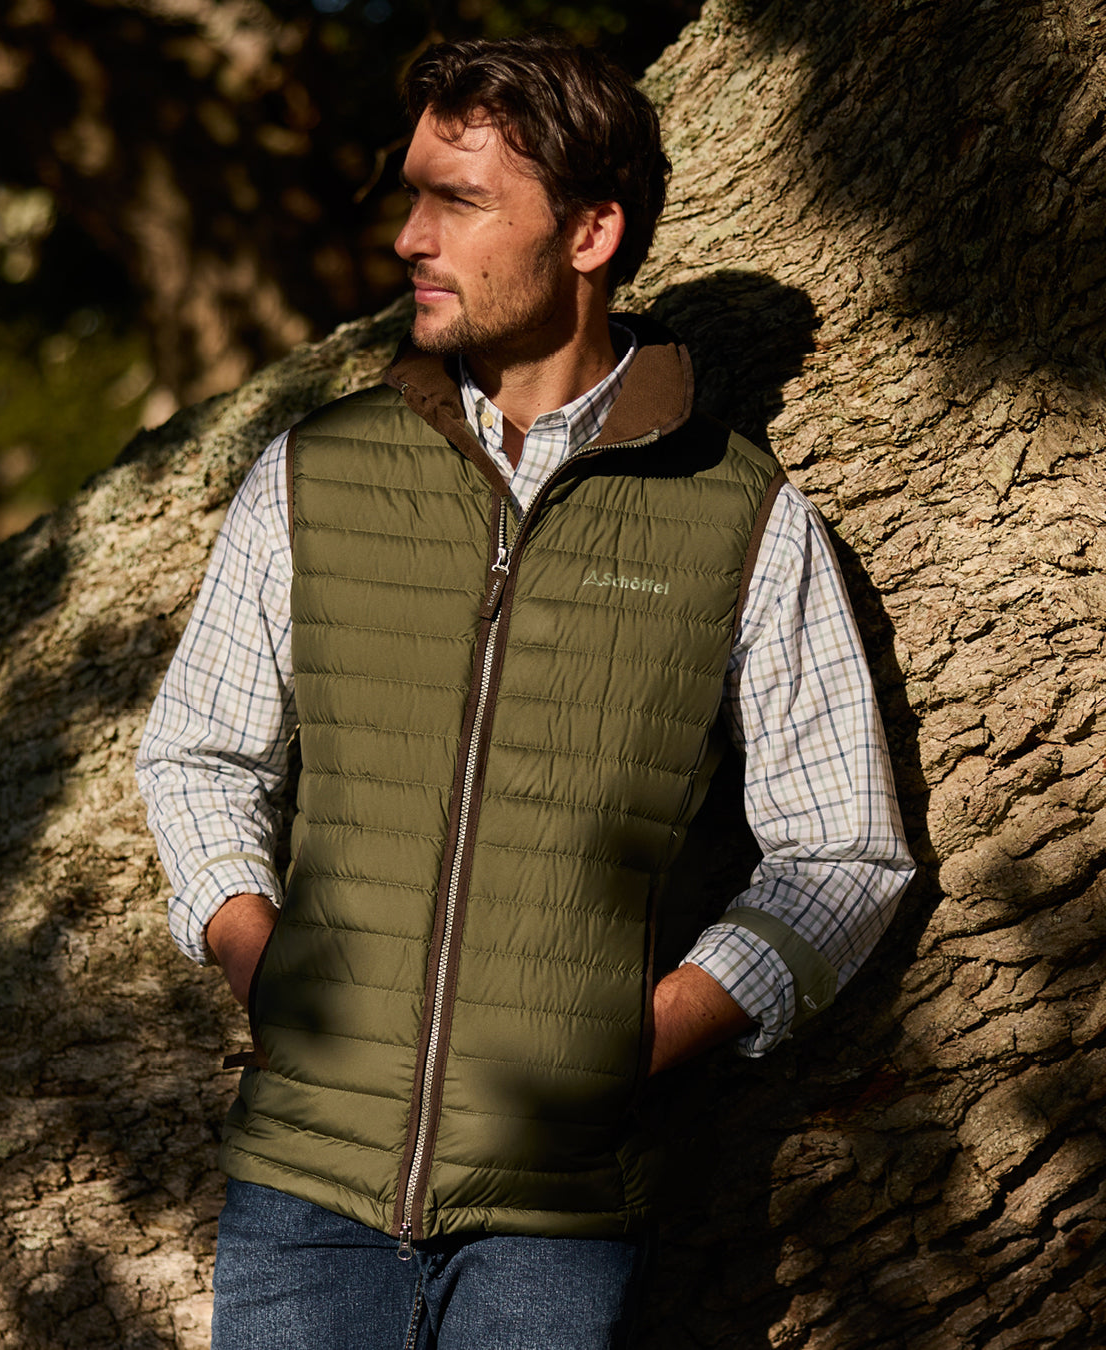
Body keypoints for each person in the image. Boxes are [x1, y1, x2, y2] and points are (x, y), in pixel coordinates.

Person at [137, 32, 914, 1350]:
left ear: (591, 232)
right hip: (302, 1202)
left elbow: (844, 852)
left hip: (557, 1222)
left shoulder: (739, 517)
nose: (409, 238)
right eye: (412, 196)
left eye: (460, 200)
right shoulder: (318, 473)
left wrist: (636, 1042)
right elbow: (196, 755)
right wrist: (266, 968)